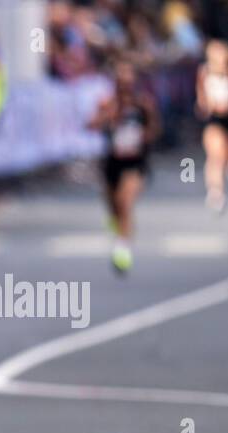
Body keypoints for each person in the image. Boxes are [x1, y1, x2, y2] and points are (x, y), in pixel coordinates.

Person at [89, 60, 158, 274]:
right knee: (113, 203)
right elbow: (91, 124)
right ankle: (115, 221)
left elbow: (154, 129)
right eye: (122, 80)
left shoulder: (143, 105)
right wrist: (106, 119)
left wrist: (143, 136)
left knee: (126, 202)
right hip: (113, 162)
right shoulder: (108, 104)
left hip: (135, 162)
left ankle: (122, 249)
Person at [196, 39, 228, 212]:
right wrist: (208, 106)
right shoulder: (205, 72)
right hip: (215, 119)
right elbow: (201, 100)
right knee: (215, 156)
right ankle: (216, 193)